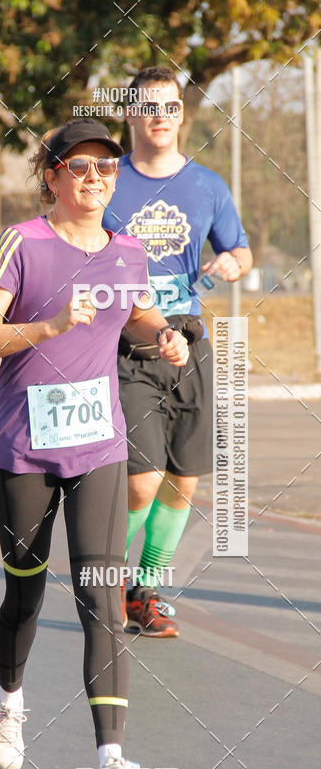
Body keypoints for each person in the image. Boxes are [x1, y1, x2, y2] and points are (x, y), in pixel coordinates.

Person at [0, 119, 189, 769]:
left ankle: (111, 761)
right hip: (23, 448)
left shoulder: (127, 251)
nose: (94, 180)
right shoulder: (22, 244)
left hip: (99, 445)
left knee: (102, 593)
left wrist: (166, 335)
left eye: (106, 170)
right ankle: (8, 699)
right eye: (80, 168)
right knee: (26, 591)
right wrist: (51, 325)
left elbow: (139, 315)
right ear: (52, 176)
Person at [103, 67, 252, 638]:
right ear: (131, 112)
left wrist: (231, 264)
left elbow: (239, 251)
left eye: (170, 105)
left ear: (182, 115)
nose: (160, 114)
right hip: (128, 339)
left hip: (189, 338)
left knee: (184, 478)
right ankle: (107, 578)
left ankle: (147, 590)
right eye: (149, 105)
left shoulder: (208, 185)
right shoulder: (109, 179)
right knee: (142, 476)